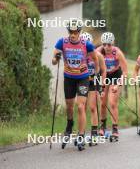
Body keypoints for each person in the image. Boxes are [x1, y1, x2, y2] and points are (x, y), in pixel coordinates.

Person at [52, 19, 99, 151]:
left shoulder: (87, 44)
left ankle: (81, 135)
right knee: (70, 107)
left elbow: (95, 59)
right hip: (69, 78)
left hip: (83, 78)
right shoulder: (62, 42)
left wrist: (95, 72)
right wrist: (56, 58)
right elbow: (53, 61)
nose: (73, 35)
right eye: (70, 32)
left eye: (75, 32)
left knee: (80, 106)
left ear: (79, 32)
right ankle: (69, 124)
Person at [97, 32, 128, 141]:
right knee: (103, 103)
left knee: (112, 102)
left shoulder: (117, 53)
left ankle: (115, 129)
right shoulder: (98, 52)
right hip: (104, 75)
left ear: (113, 43)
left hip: (116, 75)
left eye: (109, 44)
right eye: (104, 44)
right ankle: (103, 126)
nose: (107, 47)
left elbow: (125, 72)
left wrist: (118, 84)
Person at [80, 32, 106, 144]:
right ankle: (81, 133)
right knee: (82, 107)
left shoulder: (98, 55)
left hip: (93, 83)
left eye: (88, 44)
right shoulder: (79, 55)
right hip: (82, 82)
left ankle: (94, 134)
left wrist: (102, 85)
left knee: (92, 107)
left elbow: (103, 70)